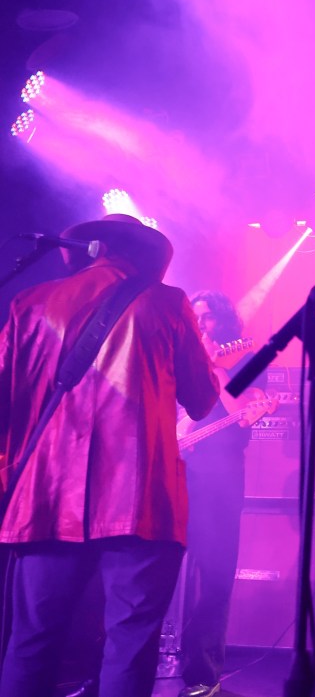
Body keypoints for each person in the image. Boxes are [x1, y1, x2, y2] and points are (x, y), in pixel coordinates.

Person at [0, 214, 220, 697]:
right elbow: (202, 399)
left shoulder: (27, 304)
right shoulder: (166, 302)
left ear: (91, 250)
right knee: (129, 645)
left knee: (30, 644)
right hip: (138, 503)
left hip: (44, 499)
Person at [176, 291, 265, 697]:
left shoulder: (247, 360)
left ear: (224, 322)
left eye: (208, 317)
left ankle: (201, 676)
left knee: (215, 574)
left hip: (220, 478)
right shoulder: (179, 356)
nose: (200, 325)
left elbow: (241, 415)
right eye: (195, 317)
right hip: (173, 472)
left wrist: (215, 369)